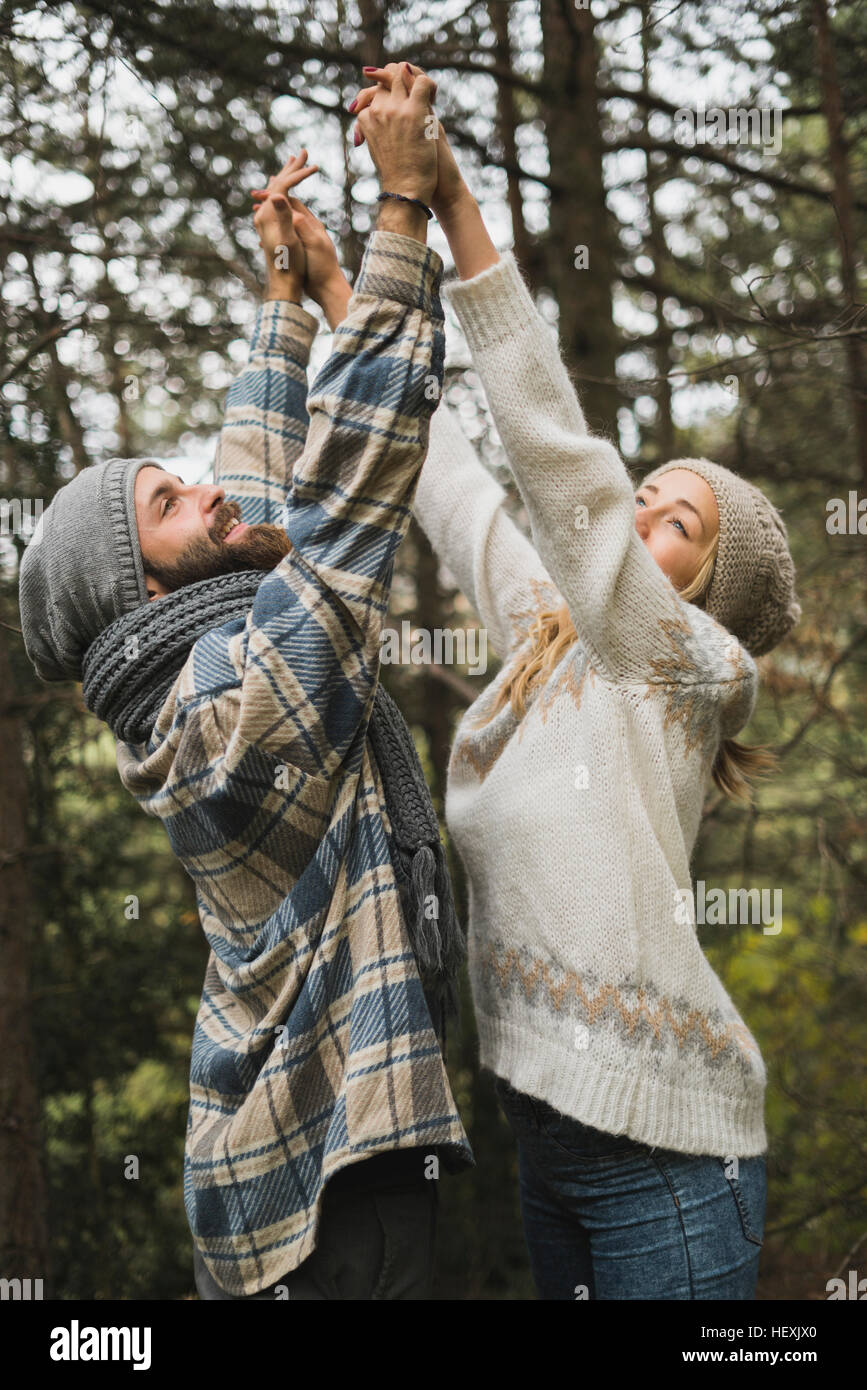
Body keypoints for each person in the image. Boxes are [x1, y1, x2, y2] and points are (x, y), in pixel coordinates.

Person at [345, 62, 801, 1300]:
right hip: (544, 1130)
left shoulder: (697, 672)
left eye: (676, 523)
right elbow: (457, 490)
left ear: (710, 593)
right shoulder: (556, 643)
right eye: (651, 488)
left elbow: (565, 478)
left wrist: (455, 210)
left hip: (669, 1151)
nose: (645, 503)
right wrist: (347, 290)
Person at [17, 69, 475, 1300]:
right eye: (167, 504)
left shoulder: (187, 663)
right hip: (330, 1201)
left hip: (307, 1183)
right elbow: (340, 507)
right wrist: (399, 208)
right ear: (143, 595)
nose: (205, 492)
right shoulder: (223, 718)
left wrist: (284, 292)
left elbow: (257, 495)